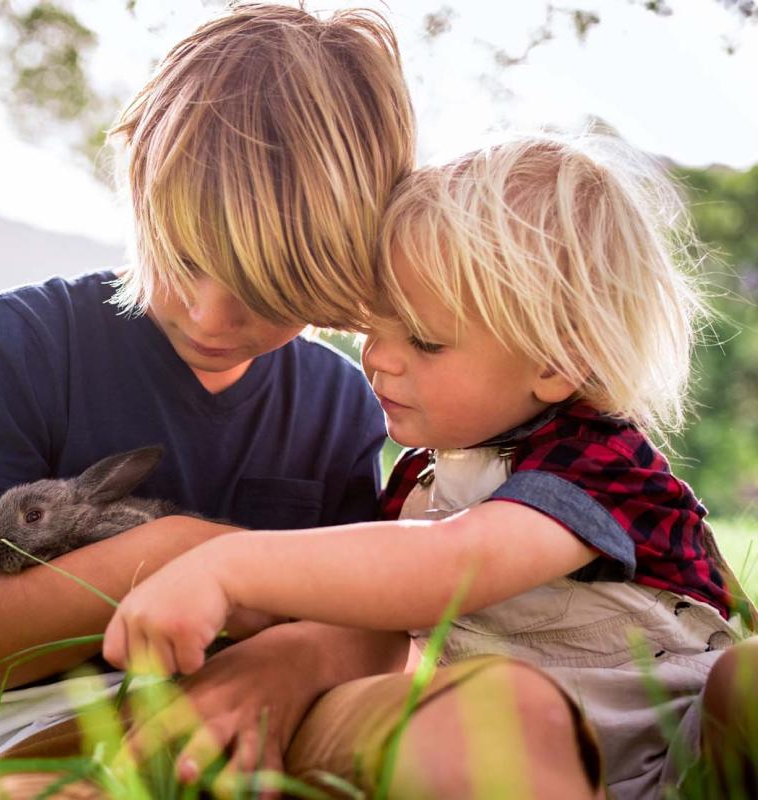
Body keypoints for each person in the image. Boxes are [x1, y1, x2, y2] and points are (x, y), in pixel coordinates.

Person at [104, 134, 758, 799]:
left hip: (695, 737)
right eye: (373, 324)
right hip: (556, 760)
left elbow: (451, 566)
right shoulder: (422, 480)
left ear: (557, 363)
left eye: (423, 339)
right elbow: (383, 619)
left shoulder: (596, 459)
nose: (379, 357)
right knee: (486, 715)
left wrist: (226, 569)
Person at [0, 3, 416, 795]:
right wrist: (192, 554)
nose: (210, 315)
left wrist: (290, 660)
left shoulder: (339, 401)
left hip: (269, 706)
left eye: (265, 289)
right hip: (53, 731)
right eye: (182, 256)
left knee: (461, 729)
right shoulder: (25, 342)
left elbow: (377, 628)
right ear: (139, 181)